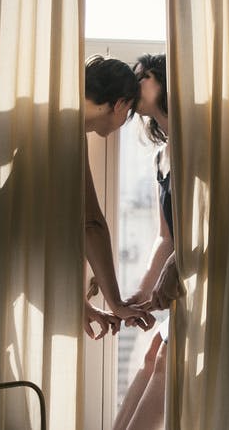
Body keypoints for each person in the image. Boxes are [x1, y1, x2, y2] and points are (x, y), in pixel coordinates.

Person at [112, 53, 185, 430]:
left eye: (142, 77)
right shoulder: (162, 157)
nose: (134, 84)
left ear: (161, 81)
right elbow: (166, 237)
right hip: (181, 285)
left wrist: (173, 270)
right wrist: (141, 293)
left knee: (162, 365)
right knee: (151, 357)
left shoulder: (201, 145)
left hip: (203, 285)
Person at [82, 55, 157, 340]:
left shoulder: (54, 119)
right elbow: (90, 223)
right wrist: (116, 303)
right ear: (120, 104)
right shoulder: (66, 131)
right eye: (129, 112)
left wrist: (81, 304)